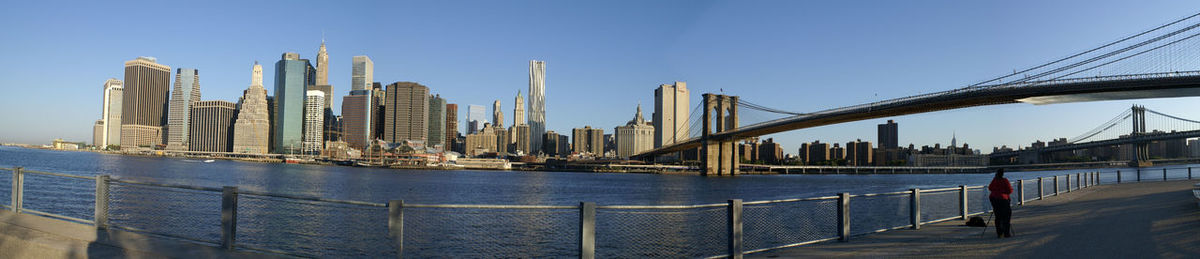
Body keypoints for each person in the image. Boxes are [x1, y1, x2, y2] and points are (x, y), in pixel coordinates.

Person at [988, 168, 1013, 238]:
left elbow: (990, 188)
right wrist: (1003, 191)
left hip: (993, 198)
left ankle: (999, 233)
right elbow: (1010, 190)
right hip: (1003, 199)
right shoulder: (1005, 180)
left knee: (998, 215)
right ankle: (1006, 233)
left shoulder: (994, 180)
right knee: (1007, 215)